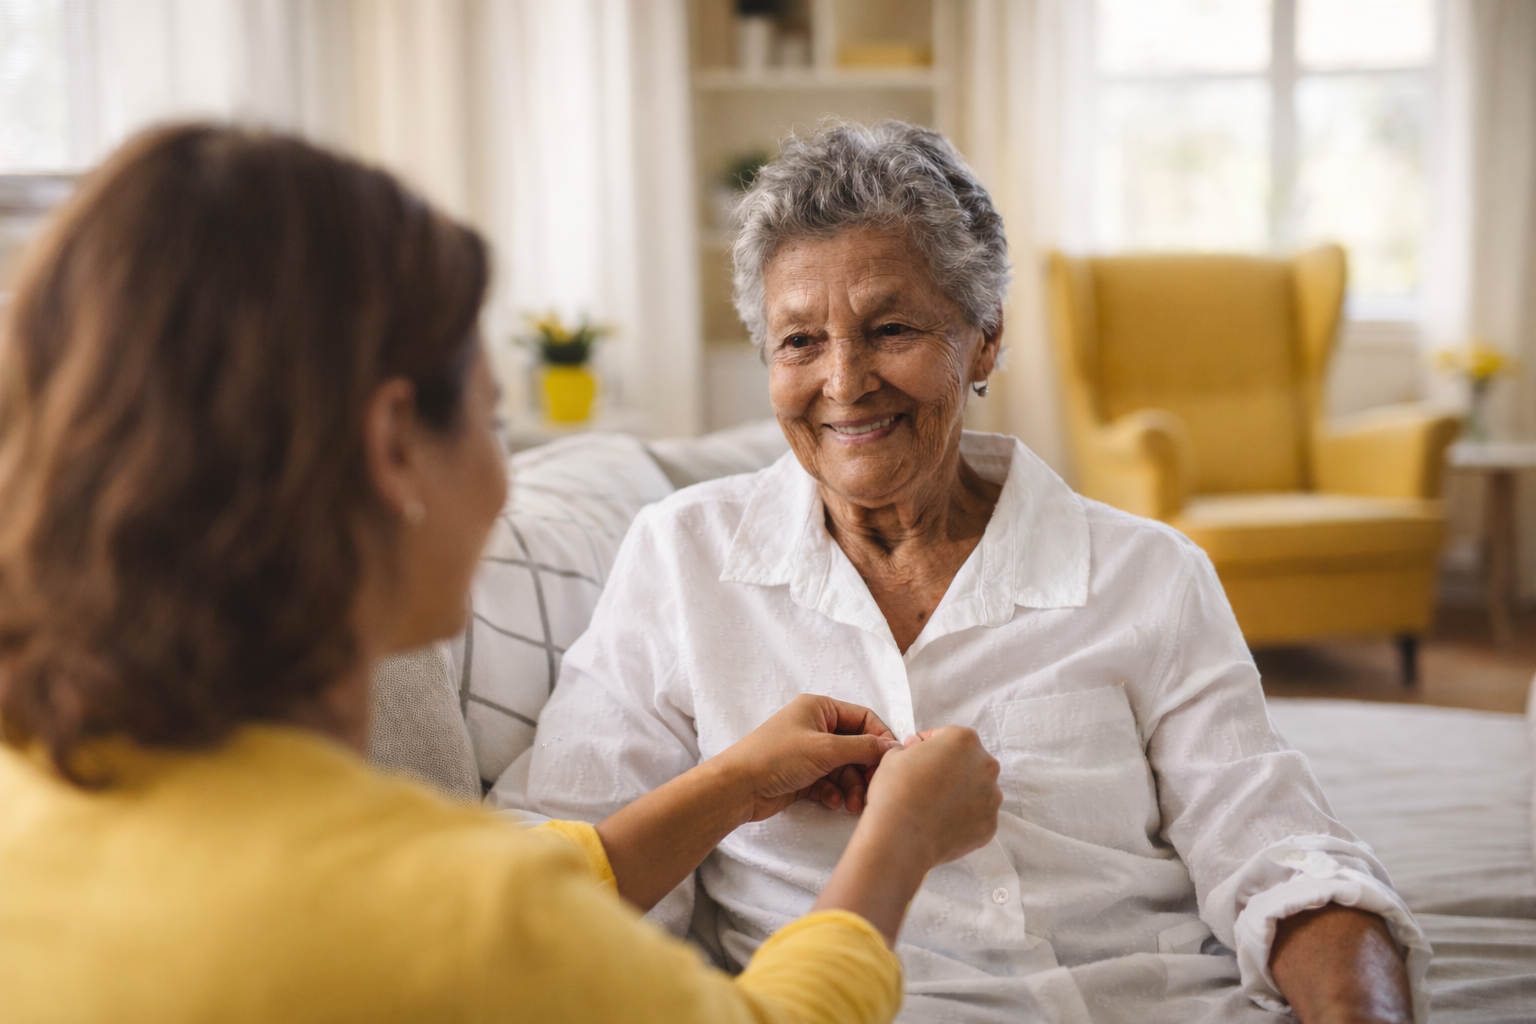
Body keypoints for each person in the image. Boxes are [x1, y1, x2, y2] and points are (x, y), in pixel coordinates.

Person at [0, 123, 1006, 1024]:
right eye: (487, 419)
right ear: (396, 449)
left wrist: (726, 786)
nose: (502, 482)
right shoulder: (467, 921)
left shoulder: (31, 806)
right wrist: (900, 840)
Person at [496, 121, 1430, 1024]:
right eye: (799, 342)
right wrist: (731, 787)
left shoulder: (1149, 573)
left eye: (890, 326)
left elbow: (1281, 853)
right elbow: (541, 882)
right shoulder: (682, 558)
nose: (845, 381)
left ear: (983, 339)